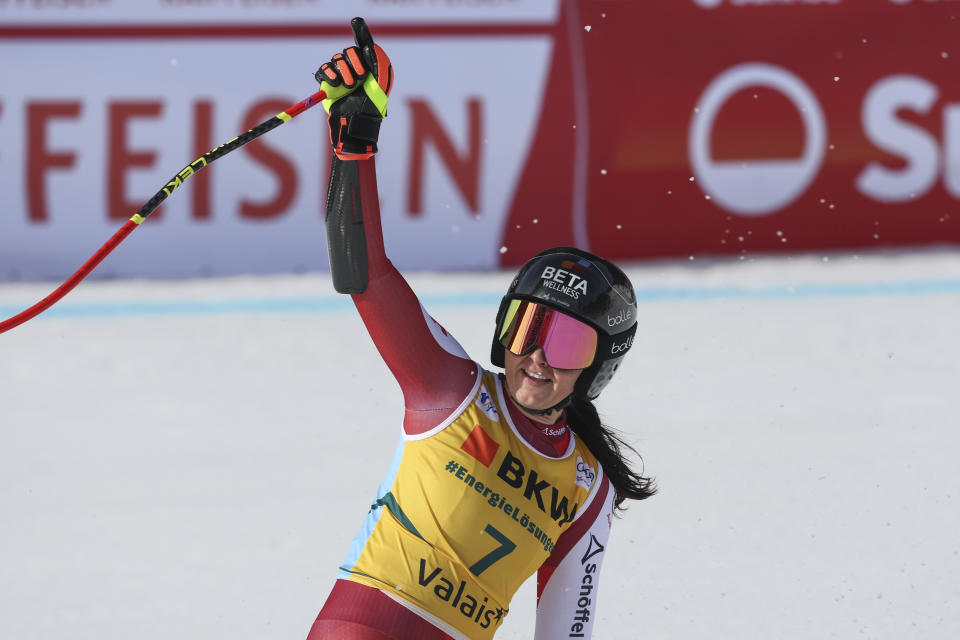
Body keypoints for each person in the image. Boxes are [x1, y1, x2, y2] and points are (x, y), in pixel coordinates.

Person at [307, 18, 655, 640]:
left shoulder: (588, 489)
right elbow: (363, 273)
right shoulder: (450, 389)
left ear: (598, 367)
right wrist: (354, 139)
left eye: (568, 342)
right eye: (528, 328)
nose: (539, 358)